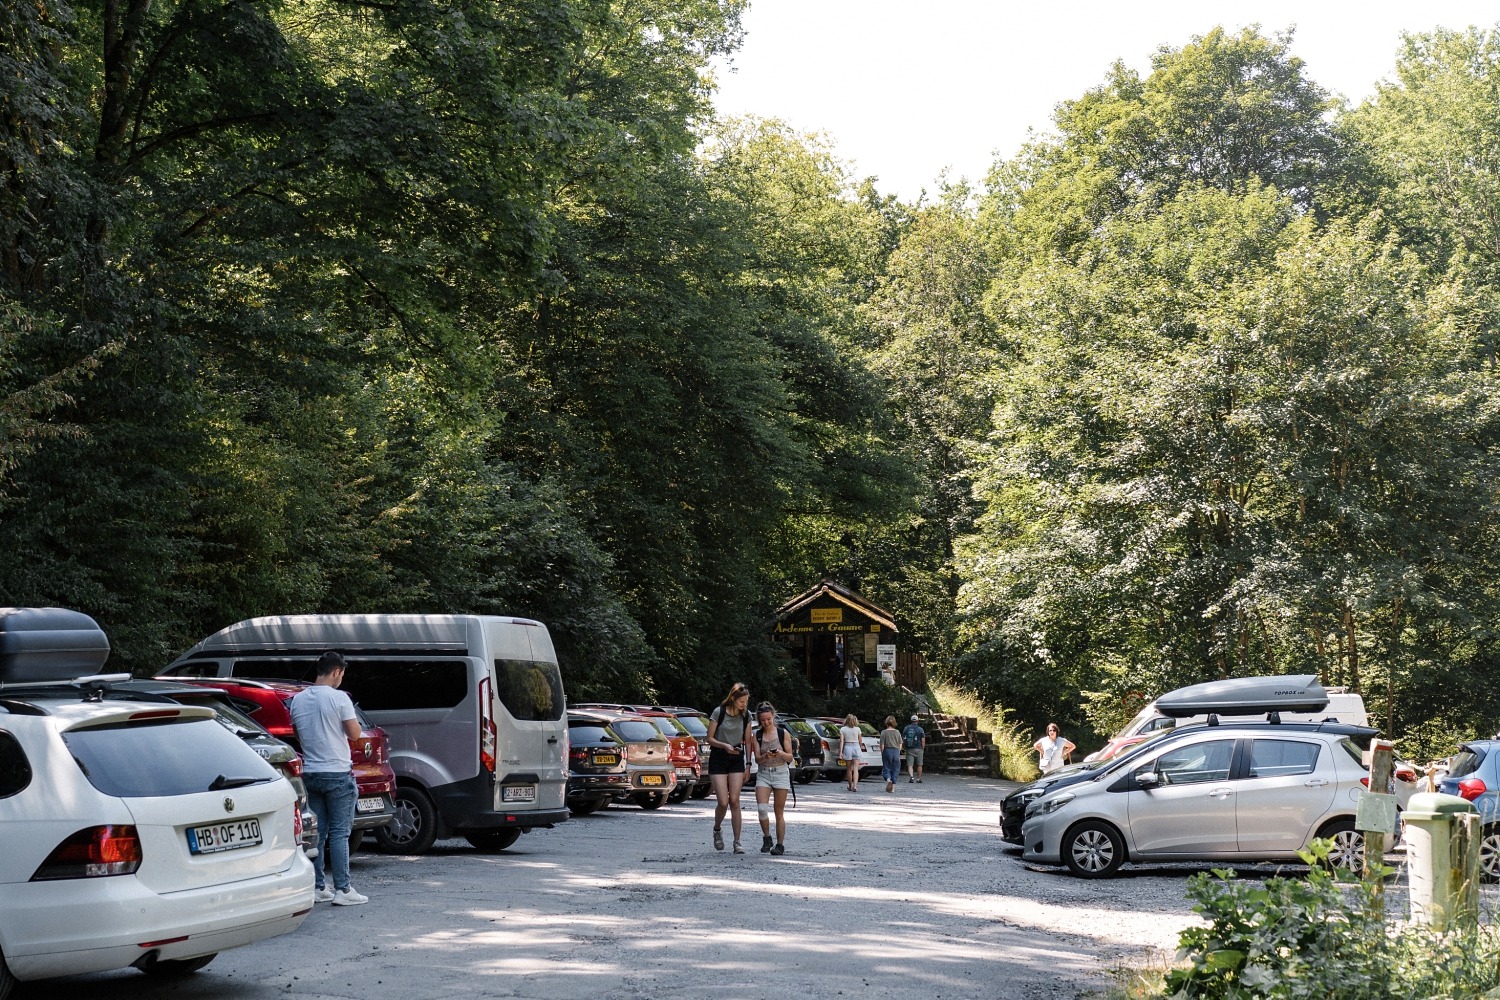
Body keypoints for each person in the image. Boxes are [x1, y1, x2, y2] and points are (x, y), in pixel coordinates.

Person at [288, 650, 368, 905]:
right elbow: (355, 734)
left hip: (311, 772)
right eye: (342, 674)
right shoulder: (340, 698)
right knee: (339, 833)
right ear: (336, 672)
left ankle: (317, 886)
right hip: (337, 773)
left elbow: (299, 735)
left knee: (318, 833)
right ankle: (343, 890)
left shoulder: (297, 700)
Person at [706, 682, 753, 853]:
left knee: (734, 801)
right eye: (742, 701)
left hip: (736, 758)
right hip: (719, 756)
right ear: (733, 698)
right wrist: (724, 745)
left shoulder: (746, 715)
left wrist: (748, 764)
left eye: (746, 702)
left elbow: (748, 741)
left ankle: (737, 841)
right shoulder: (719, 712)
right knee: (723, 802)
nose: (744, 705)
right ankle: (717, 829)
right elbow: (709, 738)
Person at [751, 702, 794, 855]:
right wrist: (765, 756)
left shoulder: (783, 733)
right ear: (758, 720)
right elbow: (757, 759)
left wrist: (780, 754)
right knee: (762, 809)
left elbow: (790, 757)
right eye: (763, 720)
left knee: (778, 811)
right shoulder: (757, 735)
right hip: (764, 772)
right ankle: (767, 837)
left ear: (773, 716)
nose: (766, 722)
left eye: (768, 719)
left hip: (781, 773)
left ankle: (780, 845)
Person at [839, 713, 864, 791]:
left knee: (849, 769)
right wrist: (859, 748)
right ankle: (855, 786)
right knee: (856, 768)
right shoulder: (857, 729)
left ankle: (850, 785)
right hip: (856, 746)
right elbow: (860, 741)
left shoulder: (843, 729)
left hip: (847, 746)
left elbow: (841, 741)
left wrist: (841, 752)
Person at [879, 716, 902, 792]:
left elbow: (882, 744)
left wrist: (882, 752)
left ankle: (888, 779)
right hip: (895, 751)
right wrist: (898, 751)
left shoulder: (884, 732)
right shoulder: (897, 732)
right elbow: (900, 743)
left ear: (886, 722)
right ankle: (893, 787)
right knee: (895, 768)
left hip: (887, 750)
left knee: (886, 767)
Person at [902, 714, 927, 782]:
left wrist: (904, 747)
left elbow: (903, 739)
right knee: (919, 764)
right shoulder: (920, 729)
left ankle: (912, 777)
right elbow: (923, 740)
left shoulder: (906, 728)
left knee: (910, 764)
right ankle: (918, 779)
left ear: (911, 720)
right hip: (919, 748)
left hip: (909, 748)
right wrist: (923, 748)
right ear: (917, 721)